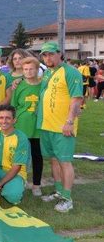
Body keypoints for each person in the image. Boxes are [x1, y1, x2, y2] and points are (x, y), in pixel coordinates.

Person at [37, 42, 83, 213]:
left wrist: (69, 121)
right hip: (47, 125)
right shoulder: (48, 72)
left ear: (60, 54)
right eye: (44, 55)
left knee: (64, 161)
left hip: (63, 126)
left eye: (51, 54)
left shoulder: (71, 72)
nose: (47, 58)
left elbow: (76, 99)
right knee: (54, 160)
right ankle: (59, 191)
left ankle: (67, 198)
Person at [11, 56, 43, 196]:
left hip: (37, 127)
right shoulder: (18, 85)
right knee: (20, 156)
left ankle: (36, 185)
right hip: (21, 126)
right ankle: (19, 181)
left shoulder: (43, 85)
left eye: (31, 69)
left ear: (37, 70)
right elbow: (13, 106)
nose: (28, 72)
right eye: (25, 69)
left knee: (37, 156)